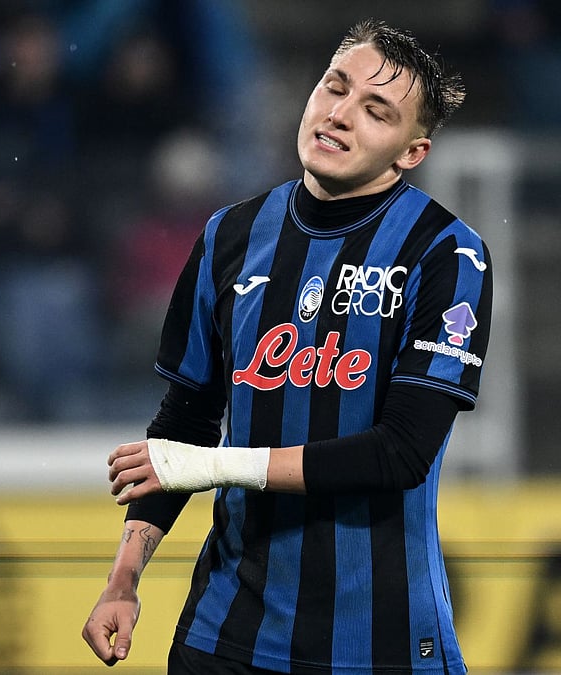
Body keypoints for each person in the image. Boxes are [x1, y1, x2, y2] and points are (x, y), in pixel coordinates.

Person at [82, 18, 489, 674]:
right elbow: (184, 423)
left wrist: (217, 465)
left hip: (380, 644)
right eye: (335, 87)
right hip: (226, 636)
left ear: (411, 153)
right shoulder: (228, 236)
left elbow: (401, 452)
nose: (339, 114)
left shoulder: (446, 252)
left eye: (376, 110)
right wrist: (123, 577)